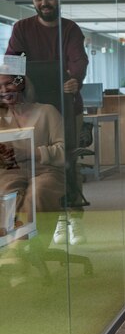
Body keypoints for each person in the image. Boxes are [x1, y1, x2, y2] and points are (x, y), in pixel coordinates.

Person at [5, 0, 89, 244]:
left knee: (68, 161)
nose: (44, 3)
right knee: (23, 163)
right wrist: (14, 92)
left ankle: (72, 221)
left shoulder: (70, 29)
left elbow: (79, 61)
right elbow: (13, 65)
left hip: (66, 105)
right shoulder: (21, 28)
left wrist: (74, 80)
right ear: (33, 0)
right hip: (30, 107)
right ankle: (26, 223)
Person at [0, 64, 70, 243]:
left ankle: (26, 248)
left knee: (36, 194)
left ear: (21, 84)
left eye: (8, 84)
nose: (3, 90)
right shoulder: (1, 118)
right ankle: (11, 246)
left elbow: (64, 151)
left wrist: (29, 153)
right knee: (7, 193)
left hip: (46, 171)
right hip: (12, 171)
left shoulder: (47, 111)